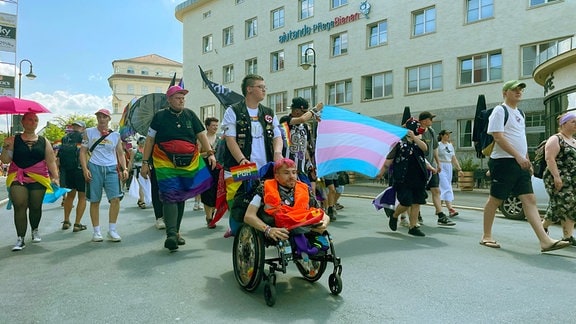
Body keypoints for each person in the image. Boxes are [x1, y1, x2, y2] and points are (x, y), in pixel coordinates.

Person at [480, 80, 570, 252]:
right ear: (505, 93)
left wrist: (526, 159)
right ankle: (486, 236)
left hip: (520, 162)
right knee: (496, 199)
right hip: (504, 161)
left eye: (520, 89)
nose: (519, 92)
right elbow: (498, 137)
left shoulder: (520, 113)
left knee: (530, 199)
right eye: (514, 89)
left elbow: (520, 138)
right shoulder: (500, 111)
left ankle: (545, 241)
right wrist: (518, 157)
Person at [140, 85, 216, 251]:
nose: (181, 100)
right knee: (170, 195)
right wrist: (145, 163)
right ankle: (171, 234)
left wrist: (210, 153)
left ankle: (176, 232)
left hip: (189, 163)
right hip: (164, 161)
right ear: (169, 99)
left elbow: (201, 135)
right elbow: (150, 140)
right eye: (177, 97)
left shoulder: (190, 115)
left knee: (180, 196)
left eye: (183, 97)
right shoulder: (159, 116)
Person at [221, 74, 283, 236]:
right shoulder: (233, 111)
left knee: (264, 197)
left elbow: (278, 136)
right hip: (242, 165)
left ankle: (259, 230)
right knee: (238, 198)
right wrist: (242, 159)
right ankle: (236, 230)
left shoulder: (268, 112)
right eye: (260, 87)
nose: (264, 90)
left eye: (264, 87)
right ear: (249, 89)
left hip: (265, 166)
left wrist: (277, 152)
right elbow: (230, 139)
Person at [1, 112, 60, 251]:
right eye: (29, 120)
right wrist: (5, 147)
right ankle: (20, 238)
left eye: (35, 120)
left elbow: (50, 160)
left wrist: (55, 177)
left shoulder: (44, 140)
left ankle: (35, 230)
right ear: (22, 122)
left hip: (39, 177)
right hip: (17, 176)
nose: (33, 122)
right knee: (19, 205)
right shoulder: (13, 140)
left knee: (35, 207)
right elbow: (5, 160)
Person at [243, 158, 330, 250]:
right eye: (286, 173)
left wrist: (325, 222)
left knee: (318, 223)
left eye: (294, 172)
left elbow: (321, 213)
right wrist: (268, 229)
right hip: (278, 226)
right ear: (276, 176)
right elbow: (248, 216)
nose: (292, 176)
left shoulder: (305, 188)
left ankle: (310, 244)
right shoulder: (264, 188)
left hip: (302, 224)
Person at [79, 108, 128, 243]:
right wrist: (85, 169)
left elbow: (120, 153)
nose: (101, 119)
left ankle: (112, 230)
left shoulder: (115, 135)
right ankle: (96, 231)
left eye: (104, 117)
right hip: (94, 167)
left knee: (116, 199)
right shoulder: (89, 132)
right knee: (95, 200)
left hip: (111, 168)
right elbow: (82, 152)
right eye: (99, 117)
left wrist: (124, 168)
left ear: (109, 119)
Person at [377, 118, 433, 237]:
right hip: (403, 178)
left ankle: (413, 227)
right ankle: (395, 215)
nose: (419, 130)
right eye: (417, 128)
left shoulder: (418, 142)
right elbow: (388, 161)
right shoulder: (399, 143)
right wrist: (381, 172)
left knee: (417, 202)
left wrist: (415, 138)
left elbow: (425, 149)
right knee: (406, 202)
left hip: (418, 178)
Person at [542, 112, 576, 245]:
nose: (575, 124)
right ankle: (542, 227)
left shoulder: (574, 141)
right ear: (563, 124)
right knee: (561, 205)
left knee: (572, 206)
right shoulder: (556, 139)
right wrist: (557, 177)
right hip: (558, 177)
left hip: (573, 179)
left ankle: (567, 237)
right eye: (573, 122)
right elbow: (549, 158)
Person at [418, 111, 456, 227]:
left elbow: (435, 149)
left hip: (432, 166)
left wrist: (438, 163)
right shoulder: (417, 132)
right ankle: (417, 214)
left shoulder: (431, 131)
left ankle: (440, 215)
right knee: (418, 192)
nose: (432, 121)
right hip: (419, 166)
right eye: (430, 119)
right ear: (424, 120)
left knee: (436, 190)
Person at [278, 97, 323, 191]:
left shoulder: (305, 127)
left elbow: (304, 148)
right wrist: (314, 110)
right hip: (286, 169)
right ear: (297, 111)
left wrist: (310, 166)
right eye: (305, 112)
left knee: (307, 194)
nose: (308, 115)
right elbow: (302, 119)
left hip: (301, 170)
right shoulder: (285, 120)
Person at [59, 121, 88, 232]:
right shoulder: (84, 137)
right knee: (82, 197)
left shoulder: (65, 138)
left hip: (68, 170)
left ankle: (66, 221)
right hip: (80, 169)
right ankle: (77, 224)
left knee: (70, 196)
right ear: (83, 128)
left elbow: (58, 155)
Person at [199, 117, 220, 228]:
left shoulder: (220, 138)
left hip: (217, 168)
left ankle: (213, 213)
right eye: (213, 125)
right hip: (205, 168)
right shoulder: (202, 139)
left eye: (217, 125)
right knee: (207, 192)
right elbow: (196, 155)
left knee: (217, 192)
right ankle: (209, 217)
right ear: (207, 126)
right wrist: (208, 153)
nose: (215, 128)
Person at [437, 130, 463, 217]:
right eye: (446, 134)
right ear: (442, 135)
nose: (448, 136)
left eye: (449, 134)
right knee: (446, 187)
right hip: (441, 165)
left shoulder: (450, 145)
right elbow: (434, 156)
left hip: (449, 166)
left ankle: (438, 209)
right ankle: (450, 209)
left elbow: (453, 158)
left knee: (444, 187)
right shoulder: (438, 145)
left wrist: (459, 169)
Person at [127, 136, 146, 209]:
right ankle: (142, 201)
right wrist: (128, 171)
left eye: (144, 142)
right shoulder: (134, 151)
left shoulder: (146, 151)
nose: (142, 144)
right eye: (141, 142)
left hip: (146, 169)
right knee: (140, 185)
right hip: (137, 170)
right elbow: (131, 161)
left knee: (145, 185)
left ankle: (140, 199)